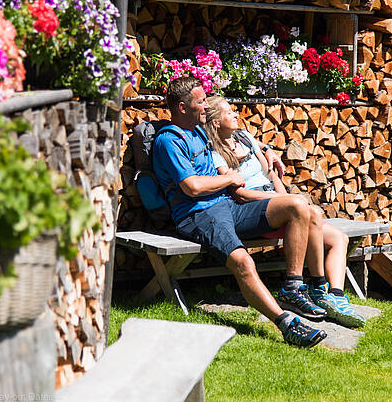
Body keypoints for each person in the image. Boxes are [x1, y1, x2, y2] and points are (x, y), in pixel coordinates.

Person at [153, 76, 328, 348]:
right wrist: (230, 179)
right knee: (243, 262)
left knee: (296, 205)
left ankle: (292, 287)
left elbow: (241, 136)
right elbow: (192, 186)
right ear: (183, 108)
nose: (205, 106)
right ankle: (287, 323)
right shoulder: (169, 141)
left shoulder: (199, 130)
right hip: (199, 215)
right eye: (200, 102)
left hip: (229, 206)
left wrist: (267, 151)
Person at [204, 95, 365, 328]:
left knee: (339, 237)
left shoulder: (245, 138)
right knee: (305, 210)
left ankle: (335, 296)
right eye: (229, 112)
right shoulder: (216, 152)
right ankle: (308, 287)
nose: (236, 114)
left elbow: (270, 174)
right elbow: (240, 194)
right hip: (253, 205)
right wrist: (286, 200)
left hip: (277, 199)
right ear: (216, 121)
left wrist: (284, 193)